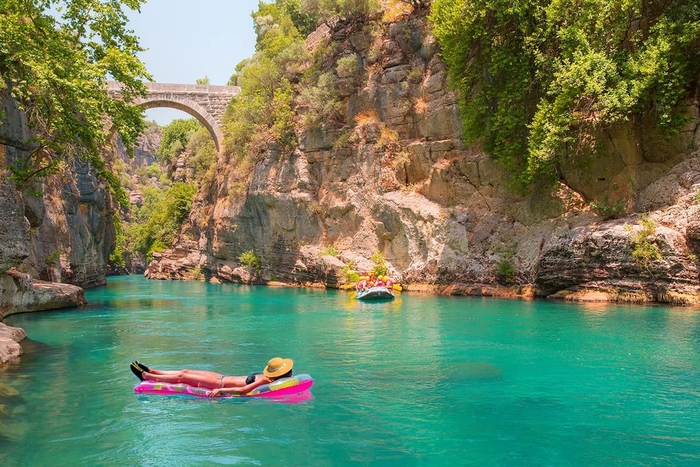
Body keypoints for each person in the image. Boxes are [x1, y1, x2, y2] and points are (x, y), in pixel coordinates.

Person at [130, 357, 294, 397]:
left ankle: (146, 375)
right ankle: (153, 370)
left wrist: (219, 391)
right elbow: (244, 388)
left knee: (182, 376)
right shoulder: (266, 379)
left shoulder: (266, 380)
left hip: (220, 384)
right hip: (220, 377)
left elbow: (244, 390)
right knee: (185, 371)